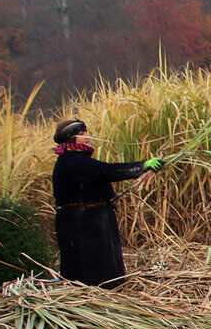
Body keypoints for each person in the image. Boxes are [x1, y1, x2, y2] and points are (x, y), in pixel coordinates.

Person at [51, 119, 162, 289]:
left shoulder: (73, 158)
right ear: (71, 139)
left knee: (93, 263)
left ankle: (100, 292)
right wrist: (142, 166)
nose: (87, 137)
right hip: (83, 222)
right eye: (82, 134)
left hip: (89, 218)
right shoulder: (73, 160)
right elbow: (107, 171)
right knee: (91, 266)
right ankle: (97, 295)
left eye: (86, 133)